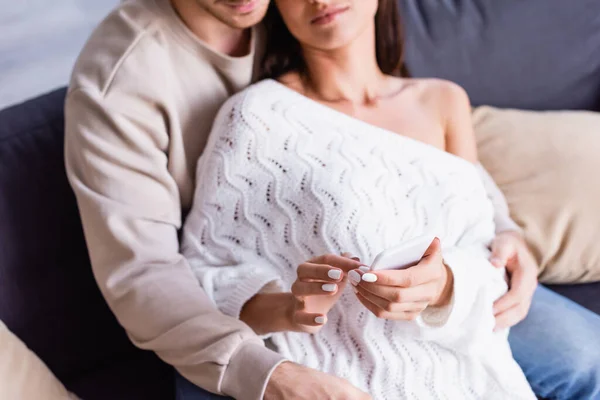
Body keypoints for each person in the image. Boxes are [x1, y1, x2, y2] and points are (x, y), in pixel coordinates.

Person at [63, 0, 600, 399]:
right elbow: (147, 274)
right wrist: (275, 373)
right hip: (223, 330)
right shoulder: (125, 83)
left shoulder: (412, 85)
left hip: (432, 295)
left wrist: (508, 234)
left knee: (584, 356)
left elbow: (442, 179)